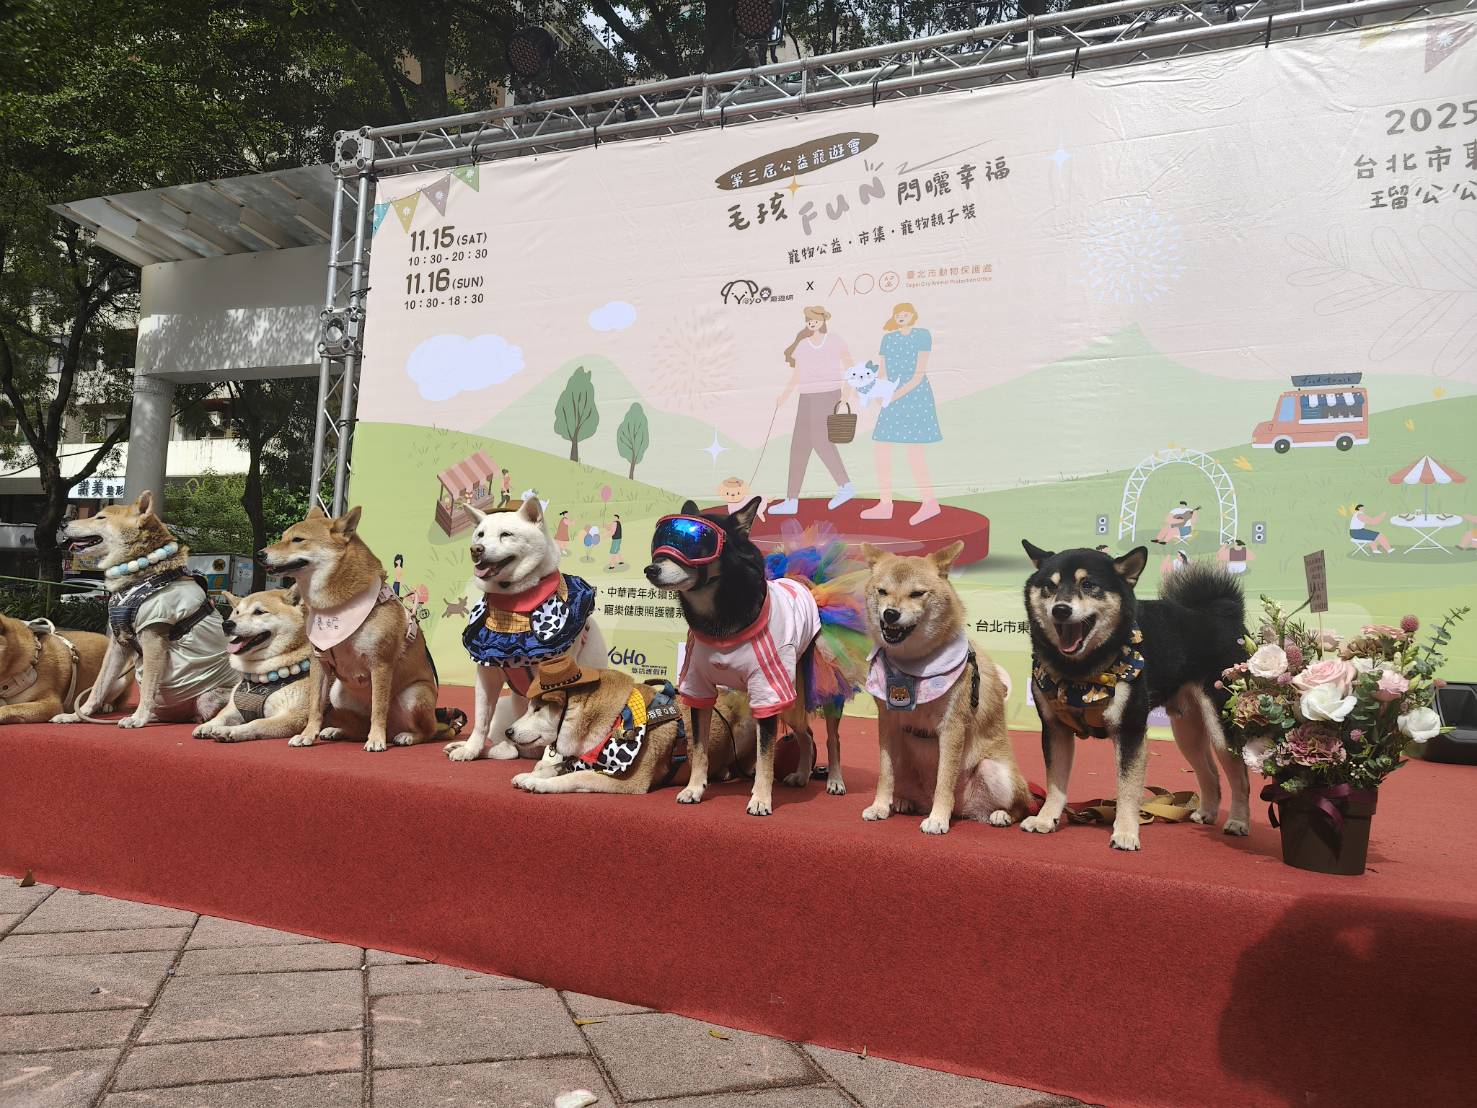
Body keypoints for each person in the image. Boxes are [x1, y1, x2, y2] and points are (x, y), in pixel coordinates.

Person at [861, 302, 942, 525]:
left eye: (905, 314)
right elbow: (884, 370)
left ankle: (929, 503)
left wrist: (894, 395)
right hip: (892, 396)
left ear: (913, 316)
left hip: (915, 397)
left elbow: (918, 374)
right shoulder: (888, 338)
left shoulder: (922, 335)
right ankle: (885, 504)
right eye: (898, 314)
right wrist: (879, 392)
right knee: (881, 448)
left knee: (914, 453)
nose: (902, 317)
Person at [772, 306, 856, 515]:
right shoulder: (802, 345)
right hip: (806, 397)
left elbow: (849, 365)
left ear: (822, 320)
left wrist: (847, 392)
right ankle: (791, 500)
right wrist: (785, 394)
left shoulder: (834, 340)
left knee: (821, 440)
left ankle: (845, 485)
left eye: (814, 319)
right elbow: (798, 374)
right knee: (799, 445)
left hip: (828, 394)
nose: (811, 322)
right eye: (808, 319)